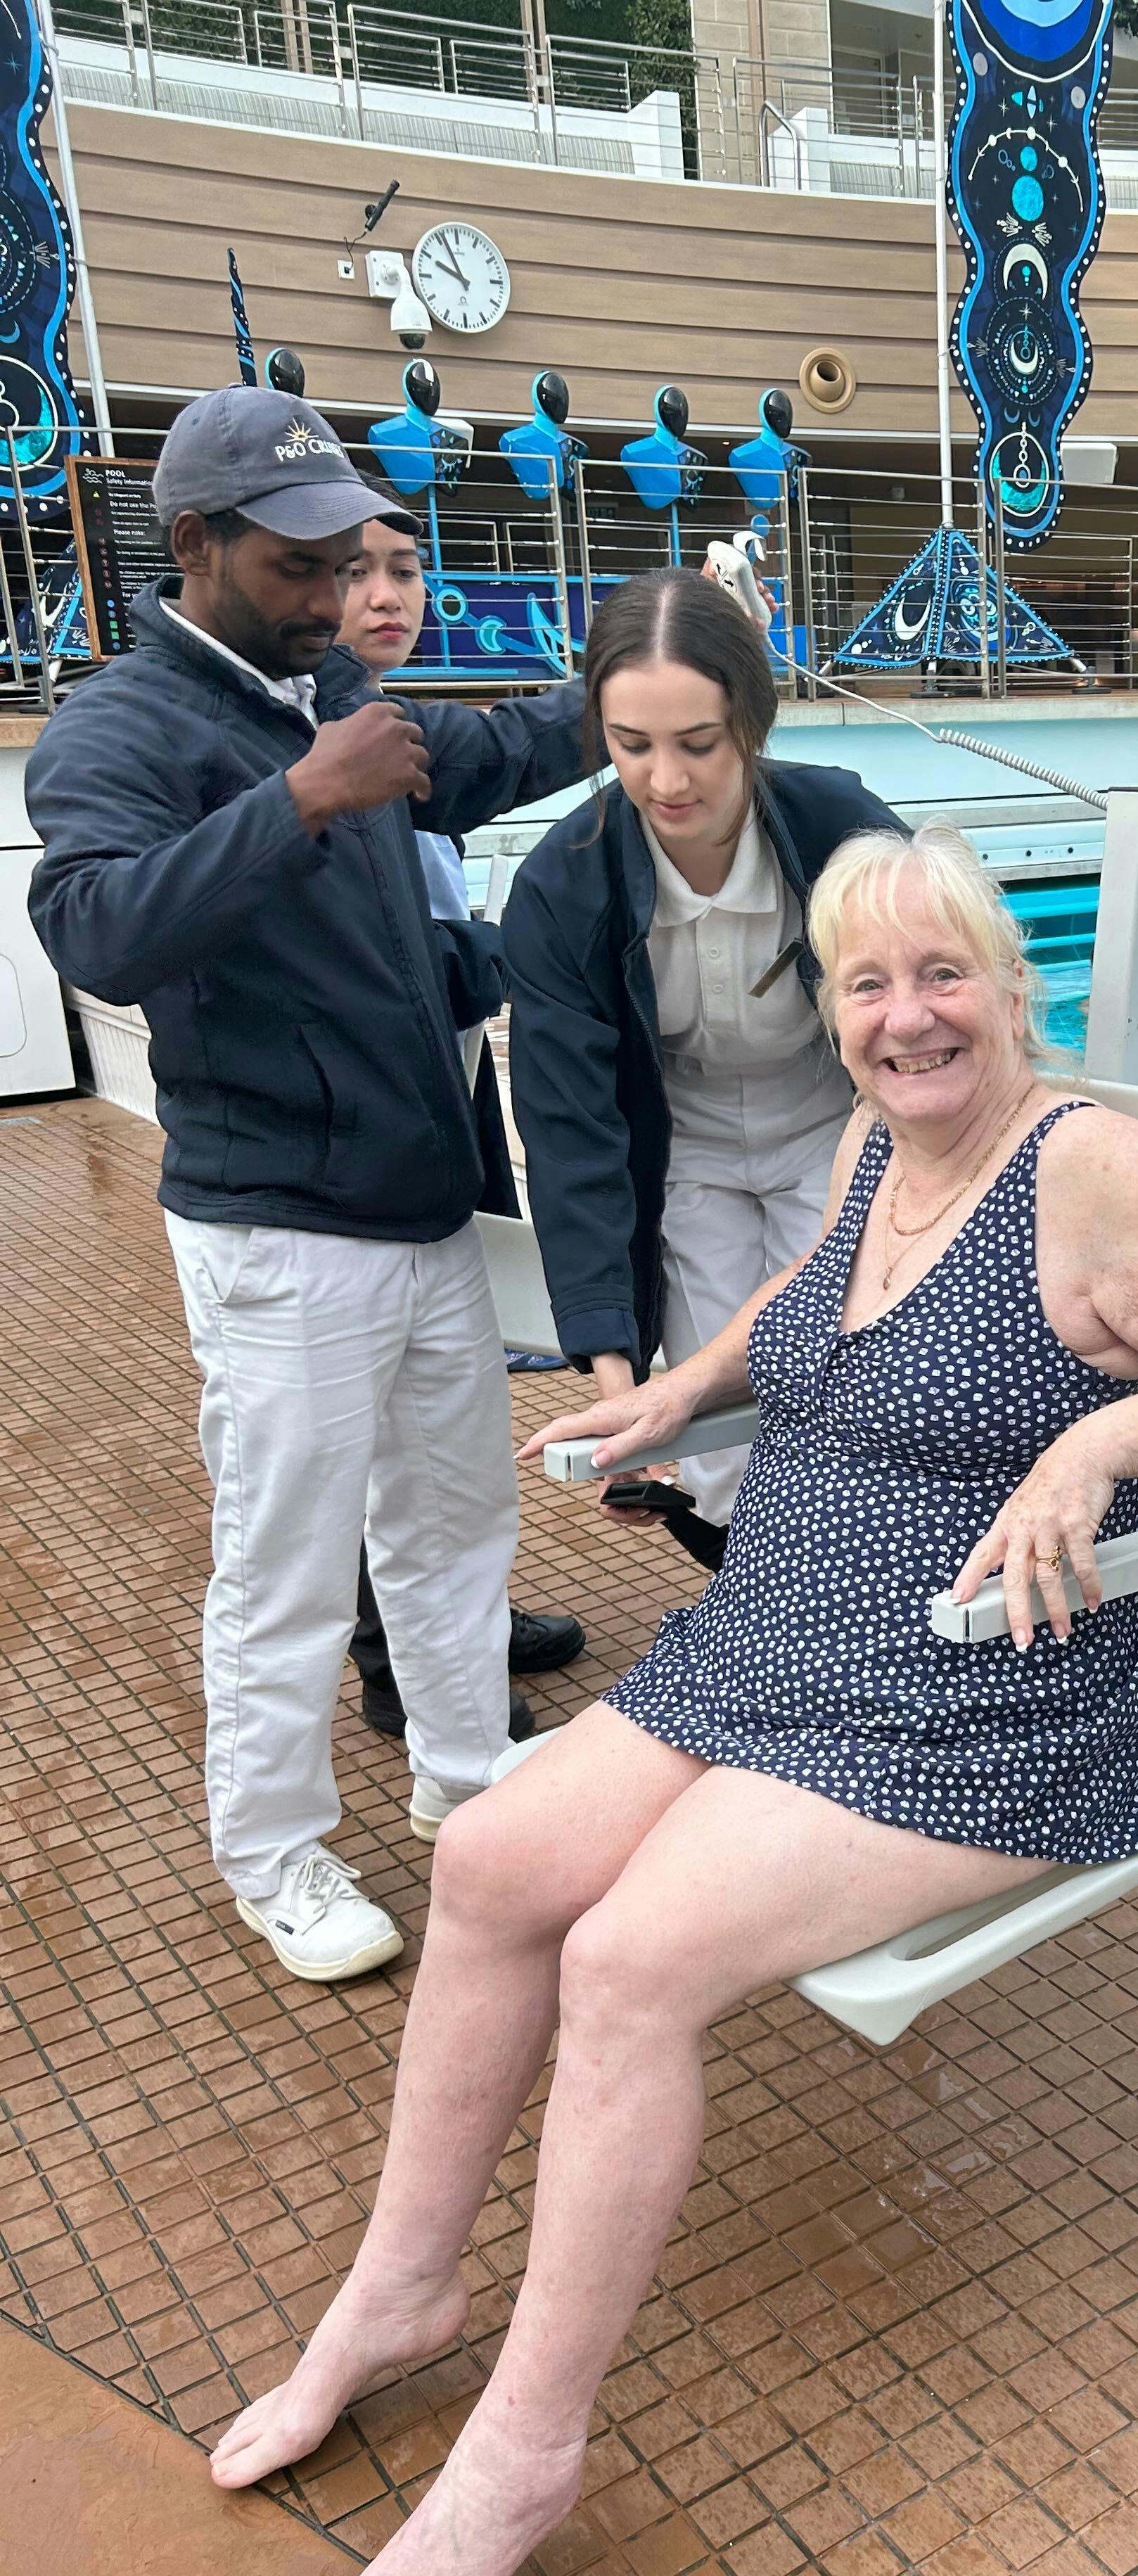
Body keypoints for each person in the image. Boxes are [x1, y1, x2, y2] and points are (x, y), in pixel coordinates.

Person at [204, 820, 1138, 2576]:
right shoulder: (877, 1150)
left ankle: (525, 2453)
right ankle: (405, 2289)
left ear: (1010, 984)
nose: (906, 1019)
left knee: (632, 1958)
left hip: (982, 1704)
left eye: (941, 975)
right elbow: (808, 1297)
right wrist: (680, 1389)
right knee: (493, 1859)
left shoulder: (1089, 1172)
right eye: (865, 985)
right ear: (833, 1015)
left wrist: (1094, 1449)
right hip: (771, 1647)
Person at [27, 387, 592, 1987]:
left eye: (347, 562)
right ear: (192, 544)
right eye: (299, 568)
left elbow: (472, 758)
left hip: (422, 1211)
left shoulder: (329, 688)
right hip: (276, 1228)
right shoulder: (123, 731)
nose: (338, 597)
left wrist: (628, 677)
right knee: (285, 1564)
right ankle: (273, 1855)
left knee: (453, 1525)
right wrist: (299, 800)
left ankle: (464, 1779)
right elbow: (97, 933)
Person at [502, 568, 902, 1564]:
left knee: (860, 1371)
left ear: (753, 724)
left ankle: (873, 1588)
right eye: (631, 747)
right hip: (685, 1146)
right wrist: (615, 1388)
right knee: (719, 1420)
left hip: (832, 1125)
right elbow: (571, 1135)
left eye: (699, 745)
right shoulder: (565, 884)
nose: (666, 782)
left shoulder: (839, 828)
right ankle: (752, 1599)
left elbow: (939, 1007)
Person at [333, 519, 587, 1744]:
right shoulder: (318, 748)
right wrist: (528, 957)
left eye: (404, 569)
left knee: (448, 1396)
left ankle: (458, 1628)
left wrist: (646, 662)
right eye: (352, 571)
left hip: (443, 1088)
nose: (388, 595)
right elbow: (404, 965)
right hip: (348, 1153)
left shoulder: (391, 728)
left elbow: (518, 745)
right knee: (383, 1421)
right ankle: (400, 1667)